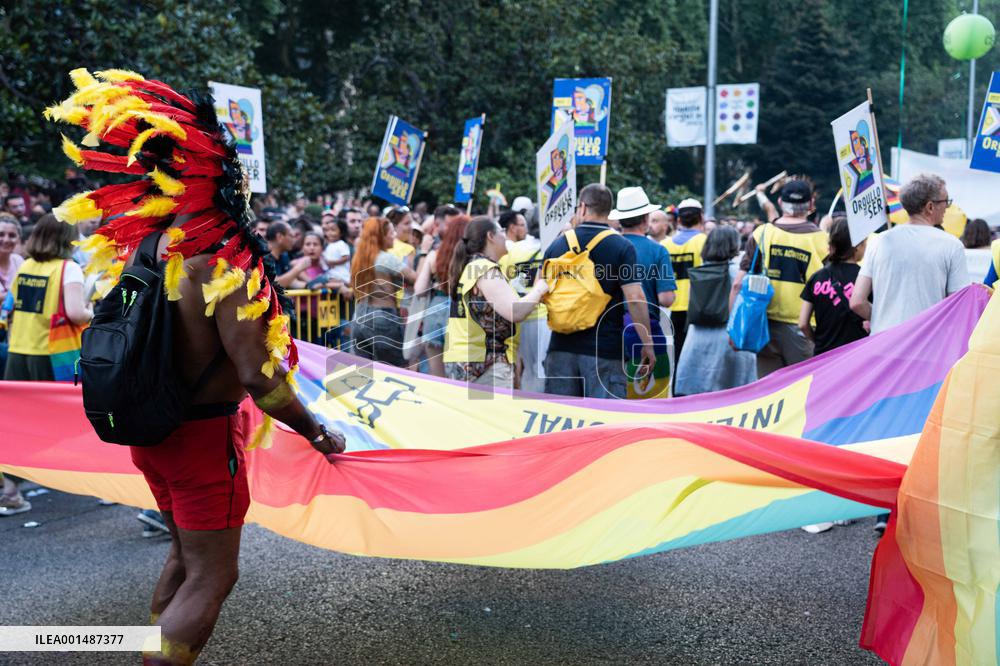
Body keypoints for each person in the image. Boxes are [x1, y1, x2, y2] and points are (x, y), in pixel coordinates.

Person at [44, 69, 346, 662]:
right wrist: (315, 431)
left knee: (185, 557)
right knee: (213, 574)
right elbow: (258, 377)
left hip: (150, 430)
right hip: (201, 440)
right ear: (216, 176)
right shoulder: (221, 259)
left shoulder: (149, 245)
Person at [849, 174, 970, 536]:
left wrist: (879, 317)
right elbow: (958, 306)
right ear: (931, 206)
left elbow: (856, 301)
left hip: (885, 349)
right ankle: (915, 506)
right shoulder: (950, 246)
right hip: (930, 355)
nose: (947, 208)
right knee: (921, 431)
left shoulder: (880, 242)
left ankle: (882, 508)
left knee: (886, 427)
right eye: (946, 202)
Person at [1, 214, 92, 516]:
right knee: (75, 416)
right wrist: (94, 312)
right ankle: (91, 479)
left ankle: (12, 490)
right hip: (55, 355)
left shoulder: (25, 265)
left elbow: (10, 307)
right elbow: (76, 313)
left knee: (18, 422)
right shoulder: (69, 268)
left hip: (19, 351)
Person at [541, 183, 656, 399]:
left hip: (560, 347)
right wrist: (647, 343)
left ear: (583, 207)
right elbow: (634, 298)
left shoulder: (557, 245)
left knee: (562, 416)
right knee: (604, 418)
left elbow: (540, 291)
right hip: (604, 350)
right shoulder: (622, 247)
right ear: (609, 211)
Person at [733, 180, 828, 378]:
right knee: (802, 388)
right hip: (804, 327)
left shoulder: (762, 233)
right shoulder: (823, 240)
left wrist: (734, 328)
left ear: (780, 202)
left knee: (769, 389)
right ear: (811, 205)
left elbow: (737, 284)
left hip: (763, 325)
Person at [444, 216, 548, 388]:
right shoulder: (484, 268)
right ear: (490, 236)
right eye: (502, 231)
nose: (505, 236)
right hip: (484, 363)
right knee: (490, 407)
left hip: (470, 359)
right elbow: (515, 311)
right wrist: (540, 288)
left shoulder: (472, 265)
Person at [610, 187, 676, 396]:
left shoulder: (606, 248)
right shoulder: (658, 251)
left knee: (612, 400)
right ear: (646, 219)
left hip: (608, 333)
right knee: (651, 399)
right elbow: (666, 299)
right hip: (647, 332)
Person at [675, 227, 756, 395]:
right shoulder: (739, 274)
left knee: (699, 396)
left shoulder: (698, 271)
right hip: (728, 340)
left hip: (697, 341)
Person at [350, 217, 417, 366]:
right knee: (395, 370)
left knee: (365, 371)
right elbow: (415, 278)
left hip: (359, 315)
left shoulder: (359, 258)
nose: (394, 236)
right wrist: (424, 252)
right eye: (391, 232)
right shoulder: (386, 258)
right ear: (381, 236)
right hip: (382, 317)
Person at [799, 216, 868, 356]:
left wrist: (819, 342)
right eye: (864, 243)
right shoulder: (865, 279)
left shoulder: (817, 277)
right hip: (857, 354)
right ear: (857, 246)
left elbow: (803, 324)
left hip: (824, 356)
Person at [498, 210, 549, 392]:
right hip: (543, 315)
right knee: (541, 368)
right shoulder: (552, 248)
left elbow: (502, 279)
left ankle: (527, 402)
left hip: (520, 316)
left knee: (527, 368)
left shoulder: (513, 250)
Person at [413, 214, 469, 377]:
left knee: (436, 374)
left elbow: (419, 289)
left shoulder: (434, 255)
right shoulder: (472, 258)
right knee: (459, 373)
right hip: (460, 310)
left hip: (435, 309)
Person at [661, 198, 707, 364]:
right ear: (701, 217)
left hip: (671, 307)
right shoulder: (705, 241)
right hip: (697, 307)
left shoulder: (664, 244)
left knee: (678, 355)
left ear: (679, 219)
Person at [322, 216, 352, 285]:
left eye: (333, 230)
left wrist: (333, 262)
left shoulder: (341, 244)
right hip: (332, 275)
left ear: (341, 233)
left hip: (341, 276)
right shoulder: (328, 245)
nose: (329, 233)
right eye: (327, 230)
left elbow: (346, 257)